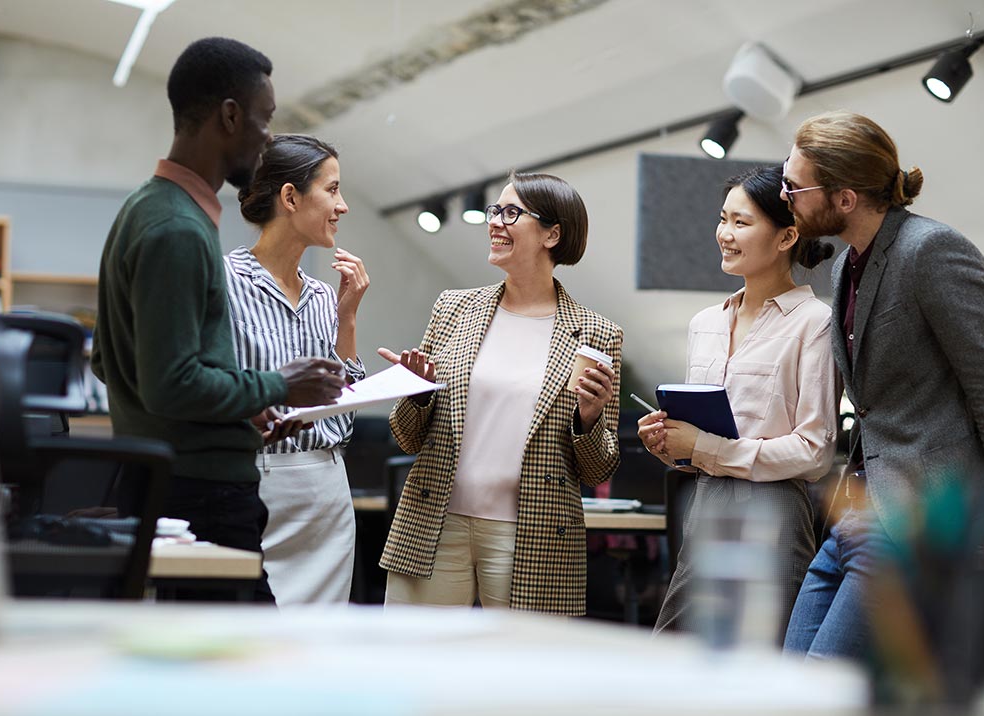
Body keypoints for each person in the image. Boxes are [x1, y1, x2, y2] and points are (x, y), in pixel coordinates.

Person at [91, 38, 345, 603]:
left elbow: (109, 361)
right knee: (245, 672)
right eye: (265, 119)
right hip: (200, 494)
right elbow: (172, 381)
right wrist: (281, 384)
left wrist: (242, 408)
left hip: (175, 483)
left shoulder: (147, 207)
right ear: (230, 116)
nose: (268, 138)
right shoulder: (178, 228)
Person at [780, 110, 984, 660]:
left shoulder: (930, 251)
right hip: (861, 512)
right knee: (790, 679)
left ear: (844, 198)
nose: (786, 196)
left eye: (795, 186)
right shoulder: (847, 264)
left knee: (823, 686)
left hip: (921, 524)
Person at [377, 172, 622, 615]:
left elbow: (597, 468)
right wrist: (416, 395)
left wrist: (589, 418)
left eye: (512, 213)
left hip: (532, 534)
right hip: (435, 521)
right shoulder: (453, 308)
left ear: (553, 233)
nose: (495, 222)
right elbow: (406, 437)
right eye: (495, 210)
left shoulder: (598, 334)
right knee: (412, 666)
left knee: (520, 678)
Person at [639, 164, 837, 641]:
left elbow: (813, 452)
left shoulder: (815, 322)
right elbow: (699, 441)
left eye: (741, 223)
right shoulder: (704, 323)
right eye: (723, 219)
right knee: (675, 653)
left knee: (760, 668)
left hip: (775, 511)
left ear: (787, 236)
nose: (724, 234)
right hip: (705, 502)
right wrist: (667, 441)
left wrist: (704, 446)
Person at [225, 134, 369, 606]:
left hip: (327, 495)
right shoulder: (223, 282)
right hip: (254, 487)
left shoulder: (326, 296)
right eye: (332, 190)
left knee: (319, 653)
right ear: (290, 197)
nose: (342, 206)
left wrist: (347, 320)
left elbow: (342, 421)